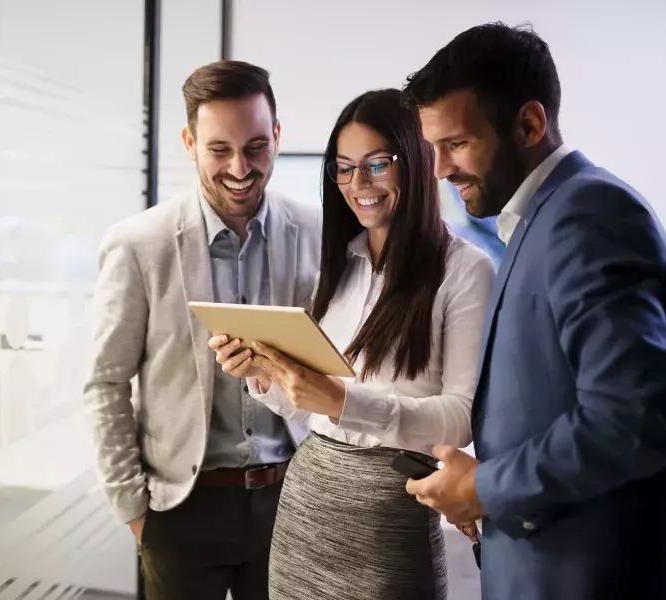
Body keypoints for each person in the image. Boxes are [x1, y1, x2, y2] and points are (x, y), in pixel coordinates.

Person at [401, 22, 666, 600]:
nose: (440, 169)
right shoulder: (536, 218)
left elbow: (633, 417)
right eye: (433, 149)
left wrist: (486, 488)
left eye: (457, 144)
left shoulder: (589, 212)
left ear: (529, 124)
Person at [210, 88, 494, 600]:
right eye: (343, 168)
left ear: (416, 161)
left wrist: (342, 402)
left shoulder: (466, 270)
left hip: (391, 511)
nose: (357, 184)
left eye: (376, 165)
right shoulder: (341, 263)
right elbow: (308, 409)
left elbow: (461, 418)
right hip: (308, 503)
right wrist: (263, 375)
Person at [82, 60, 321, 600]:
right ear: (189, 142)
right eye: (219, 149)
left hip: (293, 501)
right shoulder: (138, 244)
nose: (240, 166)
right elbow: (105, 383)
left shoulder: (317, 231)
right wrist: (135, 512)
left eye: (256, 146)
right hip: (181, 511)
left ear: (278, 138)